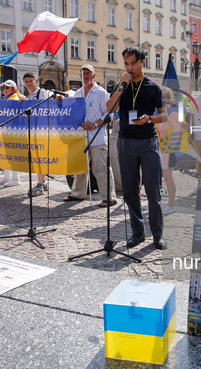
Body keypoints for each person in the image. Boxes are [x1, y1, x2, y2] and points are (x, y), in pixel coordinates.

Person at [106, 45, 168, 250]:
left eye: (133, 63)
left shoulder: (153, 87)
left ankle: (157, 234)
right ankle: (138, 232)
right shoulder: (122, 86)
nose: (129, 67)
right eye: (126, 63)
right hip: (125, 141)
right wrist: (119, 88)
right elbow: (109, 108)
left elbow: (164, 115)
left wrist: (150, 118)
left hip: (148, 141)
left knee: (153, 191)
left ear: (142, 62)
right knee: (130, 191)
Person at [65, 65, 117, 208]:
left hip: (98, 136)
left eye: (88, 73)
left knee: (101, 168)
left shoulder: (101, 92)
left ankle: (109, 197)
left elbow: (108, 114)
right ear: (80, 76)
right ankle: (77, 193)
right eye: (83, 73)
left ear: (93, 76)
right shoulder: (78, 93)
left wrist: (93, 125)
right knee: (79, 167)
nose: (85, 76)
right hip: (81, 138)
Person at [19, 72, 62, 197]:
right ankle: (42, 183)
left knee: (40, 157)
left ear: (35, 81)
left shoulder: (41, 92)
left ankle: (39, 185)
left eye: (30, 81)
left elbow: (47, 105)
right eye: (26, 81)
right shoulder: (28, 95)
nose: (28, 83)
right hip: (32, 130)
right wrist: (24, 101)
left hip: (42, 130)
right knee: (37, 158)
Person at [159, 86, 186, 215]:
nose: (167, 105)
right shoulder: (154, 108)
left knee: (168, 175)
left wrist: (186, 125)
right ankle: (155, 203)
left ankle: (171, 205)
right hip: (154, 145)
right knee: (154, 176)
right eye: (164, 102)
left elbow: (184, 123)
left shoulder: (176, 109)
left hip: (168, 146)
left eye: (169, 102)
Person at [0, 80, 22, 186]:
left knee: (12, 154)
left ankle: (16, 179)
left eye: (7, 88)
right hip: (7, 130)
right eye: (4, 88)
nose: (5, 90)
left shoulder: (14, 99)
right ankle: (7, 177)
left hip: (13, 131)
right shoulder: (7, 99)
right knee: (6, 154)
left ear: (13, 89)